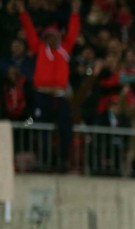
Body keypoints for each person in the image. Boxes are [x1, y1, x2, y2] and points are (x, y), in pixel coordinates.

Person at [18, 0, 80, 171]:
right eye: (50, 36)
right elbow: (29, 30)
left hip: (60, 96)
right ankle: (44, 160)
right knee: (41, 128)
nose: (54, 38)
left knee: (66, 128)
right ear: (46, 37)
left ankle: (63, 160)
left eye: (56, 35)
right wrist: (22, 11)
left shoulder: (65, 49)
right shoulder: (39, 48)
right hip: (42, 95)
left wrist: (75, 12)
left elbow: (73, 32)